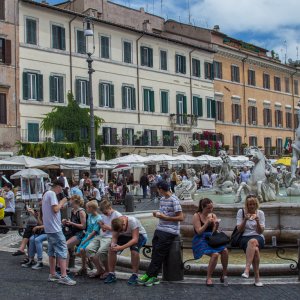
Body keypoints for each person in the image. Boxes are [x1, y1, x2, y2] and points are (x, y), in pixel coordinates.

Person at [137, 181, 184, 287]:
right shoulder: (162, 199)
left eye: (157, 189)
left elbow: (181, 217)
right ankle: (153, 277)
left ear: (161, 189)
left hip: (170, 231)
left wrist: (165, 217)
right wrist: (157, 215)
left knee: (158, 253)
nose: (157, 191)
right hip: (160, 228)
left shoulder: (174, 200)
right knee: (155, 252)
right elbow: (164, 213)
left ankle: (148, 275)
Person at [42, 179, 76, 285]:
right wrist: (62, 202)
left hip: (49, 228)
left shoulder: (46, 194)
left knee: (52, 252)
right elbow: (55, 209)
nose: (61, 191)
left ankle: (52, 274)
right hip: (55, 229)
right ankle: (63, 276)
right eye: (61, 188)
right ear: (58, 186)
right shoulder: (52, 194)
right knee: (62, 250)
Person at [191, 198, 228, 287]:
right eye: (208, 208)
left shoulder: (213, 215)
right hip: (200, 239)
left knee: (225, 251)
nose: (210, 210)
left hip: (211, 238)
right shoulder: (196, 216)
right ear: (202, 207)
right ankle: (208, 278)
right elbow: (199, 231)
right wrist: (207, 222)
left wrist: (216, 226)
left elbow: (213, 232)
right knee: (215, 254)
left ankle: (224, 274)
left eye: (211, 208)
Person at [104, 215, 147, 285]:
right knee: (111, 249)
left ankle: (135, 275)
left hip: (140, 235)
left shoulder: (132, 221)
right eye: (119, 231)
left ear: (124, 224)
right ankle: (111, 274)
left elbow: (135, 239)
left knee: (134, 250)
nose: (120, 231)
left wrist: (121, 247)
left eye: (121, 230)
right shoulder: (115, 223)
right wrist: (113, 245)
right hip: (126, 236)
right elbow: (114, 237)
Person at [86, 200, 122, 279]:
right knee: (88, 249)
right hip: (101, 236)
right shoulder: (103, 215)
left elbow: (120, 230)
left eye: (106, 212)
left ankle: (108, 271)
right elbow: (101, 223)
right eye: (103, 213)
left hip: (110, 237)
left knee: (101, 252)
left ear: (110, 208)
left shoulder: (117, 215)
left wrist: (108, 227)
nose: (105, 214)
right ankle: (99, 269)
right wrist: (101, 225)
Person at [237, 194, 265, 287]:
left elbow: (260, 231)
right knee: (255, 250)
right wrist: (245, 220)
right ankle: (257, 278)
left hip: (258, 237)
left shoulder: (260, 213)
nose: (251, 206)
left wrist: (257, 221)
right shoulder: (241, 212)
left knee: (253, 241)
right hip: (244, 237)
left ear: (256, 204)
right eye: (249, 204)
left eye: (253, 204)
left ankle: (247, 270)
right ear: (246, 205)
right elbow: (239, 230)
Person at [75, 200, 102, 276]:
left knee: (82, 250)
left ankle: (84, 267)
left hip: (93, 237)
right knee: (78, 252)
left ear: (91, 208)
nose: (86, 209)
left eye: (87, 208)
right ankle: (87, 261)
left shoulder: (98, 218)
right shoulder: (90, 215)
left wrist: (86, 240)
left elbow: (94, 232)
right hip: (87, 235)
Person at [62, 195, 87, 269]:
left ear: (74, 200)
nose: (69, 201)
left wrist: (71, 223)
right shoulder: (73, 210)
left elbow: (83, 226)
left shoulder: (81, 212)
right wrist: (66, 222)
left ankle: (65, 269)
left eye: (70, 200)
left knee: (65, 246)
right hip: (73, 232)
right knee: (65, 246)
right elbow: (72, 222)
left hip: (80, 233)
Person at [21, 203, 47, 270]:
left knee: (37, 240)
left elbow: (49, 225)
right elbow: (40, 223)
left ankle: (40, 261)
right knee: (31, 239)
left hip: (49, 232)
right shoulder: (41, 212)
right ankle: (31, 259)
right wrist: (36, 216)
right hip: (42, 232)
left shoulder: (48, 212)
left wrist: (38, 226)